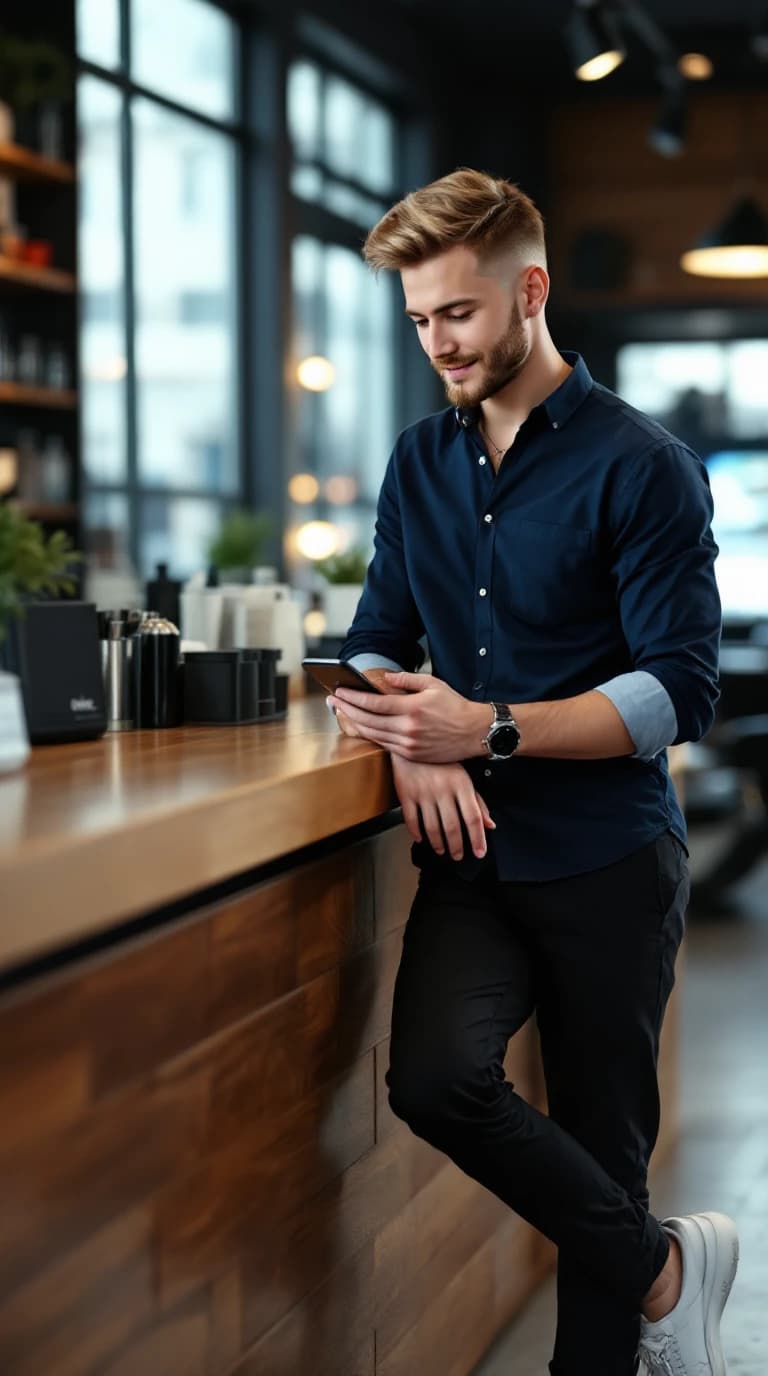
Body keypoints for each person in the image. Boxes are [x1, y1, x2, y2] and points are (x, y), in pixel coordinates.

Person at [329, 168, 736, 1376]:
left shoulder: (645, 465)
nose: (436, 343)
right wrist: (415, 747)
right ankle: (669, 1266)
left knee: (603, 1143)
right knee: (437, 1080)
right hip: (473, 855)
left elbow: (679, 690)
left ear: (530, 291)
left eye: (455, 313)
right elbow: (372, 635)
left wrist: (485, 730)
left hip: (611, 853)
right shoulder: (418, 461)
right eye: (417, 321)